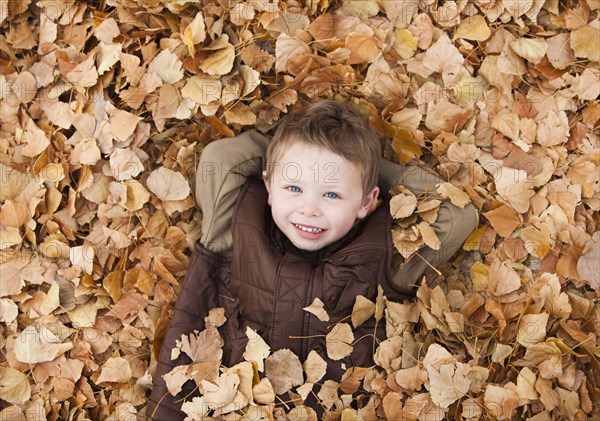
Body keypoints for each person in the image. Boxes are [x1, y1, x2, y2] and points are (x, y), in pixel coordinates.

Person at [147, 101, 478, 419]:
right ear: (268, 184)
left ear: (367, 202)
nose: (310, 208)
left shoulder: (384, 253)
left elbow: (457, 213)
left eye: (332, 194)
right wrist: (289, 153)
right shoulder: (236, 226)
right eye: (294, 188)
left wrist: (366, 170)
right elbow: (220, 158)